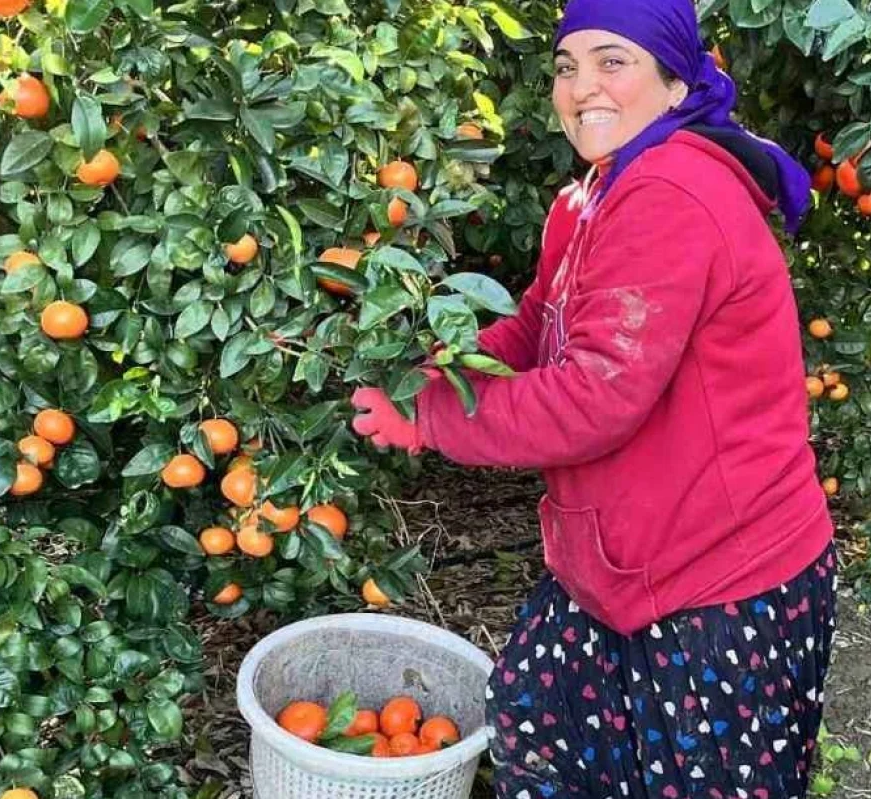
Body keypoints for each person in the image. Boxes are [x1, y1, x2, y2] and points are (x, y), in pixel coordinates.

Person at [350, 0, 835, 795]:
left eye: (614, 61)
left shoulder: (672, 193)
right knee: (538, 717)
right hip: (622, 562)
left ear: (675, 83)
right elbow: (539, 324)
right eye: (568, 67)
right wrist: (435, 377)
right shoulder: (593, 197)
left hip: (720, 582)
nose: (582, 87)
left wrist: (432, 417)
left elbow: (593, 398)